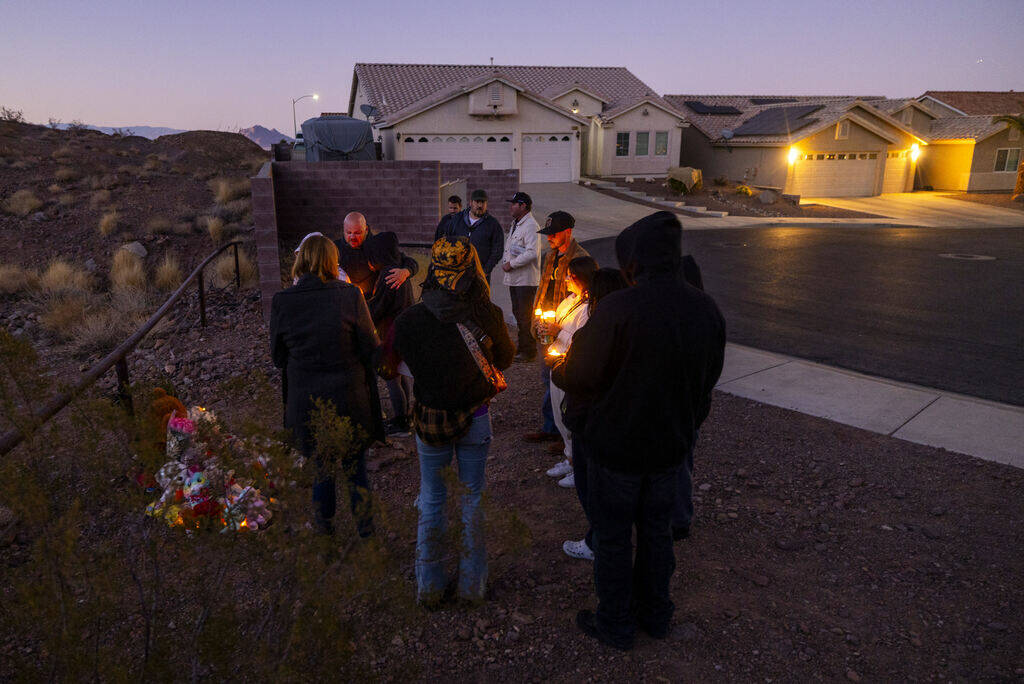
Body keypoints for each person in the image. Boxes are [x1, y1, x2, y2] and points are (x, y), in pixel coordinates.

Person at [554, 211, 725, 650]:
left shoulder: (617, 309)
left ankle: (615, 623)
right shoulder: (705, 309)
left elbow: (580, 375)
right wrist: (685, 425)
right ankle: (657, 613)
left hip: (617, 450)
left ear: (634, 259)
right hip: (670, 448)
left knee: (612, 537)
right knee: (656, 532)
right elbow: (707, 382)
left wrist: (563, 375)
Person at [393, 235, 514, 605]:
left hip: (430, 420)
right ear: (470, 269)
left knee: (431, 499)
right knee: (472, 498)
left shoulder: (410, 319)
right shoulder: (485, 313)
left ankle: (428, 585)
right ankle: (472, 585)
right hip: (475, 416)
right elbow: (506, 359)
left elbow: (399, 366)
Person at [270, 235, 384, 538]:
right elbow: (370, 348)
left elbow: (278, 356)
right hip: (350, 398)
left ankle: (325, 531)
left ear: (301, 260)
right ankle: (366, 533)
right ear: (333, 261)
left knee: (321, 469)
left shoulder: (282, 301)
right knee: (355, 468)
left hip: (307, 403)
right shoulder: (350, 296)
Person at [556, 267, 628, 562]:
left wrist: (559, 369)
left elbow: (576, 376)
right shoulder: (633, 326)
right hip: (622, 423)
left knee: (593, 487)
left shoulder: (594, 332)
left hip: (593, 424)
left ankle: (599, 542)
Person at [523, 210, 591, 447]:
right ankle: (553, 428)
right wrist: (535, 321)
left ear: (568, 232)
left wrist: (561, 327)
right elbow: (542, 290)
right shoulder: (551, 257)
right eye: (548, 233)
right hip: (546, 329)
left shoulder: (581, 260)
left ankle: (567, 435)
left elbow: (586, 299)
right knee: (547, 378)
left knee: (563, 380)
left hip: (565, 330)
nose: (549, 237)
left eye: (553, 233)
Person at [541, 255, 597, 489]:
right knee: (558, 413)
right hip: (557, 362)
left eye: (570, 276)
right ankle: (569, 456)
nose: (565, 279)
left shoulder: (589, 308)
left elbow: (584, 340)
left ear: (582, 278)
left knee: (569, 414)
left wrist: (558, 332)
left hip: (571, 366)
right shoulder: (569, 301)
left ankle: (579, 465)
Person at [364, 231, 415, 436]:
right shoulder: (397, 269)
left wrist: (361, 306)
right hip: (402, 331)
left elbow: (378, 308)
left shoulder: (388, 275)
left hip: (391, 334)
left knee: (391, 376)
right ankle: (407, 416)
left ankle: (400, 421)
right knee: (401, 374)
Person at [335, 211, 419, 298]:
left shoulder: (376, 246)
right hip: (347, 298)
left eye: (357, 233)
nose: (352, 237)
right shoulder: (336, 249)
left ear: (366, 229)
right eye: (348, 232)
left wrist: (406, 271)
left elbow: (407, 261)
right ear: (343, 230)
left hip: (376, 298)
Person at [500, 192, 542, 362]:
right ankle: (523, 347)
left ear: (523, 206)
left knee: (525, 316)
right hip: (516, 280)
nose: (511, 206)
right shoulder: (517, 224)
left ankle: (528, 351)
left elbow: (532, 252)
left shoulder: (531, 225)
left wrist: (512, 264)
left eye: (514, 204)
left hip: (525, 280)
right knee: (519, 314)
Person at [435, 189, 504, 284]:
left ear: (486, 204)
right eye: (477, 202)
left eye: (483, 202)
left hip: (480, 275)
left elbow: (497, 250)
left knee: (479, 298)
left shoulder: (493, 224)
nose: (480, 205)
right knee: (456, 298)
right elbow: (446, 243)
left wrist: (485, 270)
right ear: (471, 202)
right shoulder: (456, 220)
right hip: (457, 274)